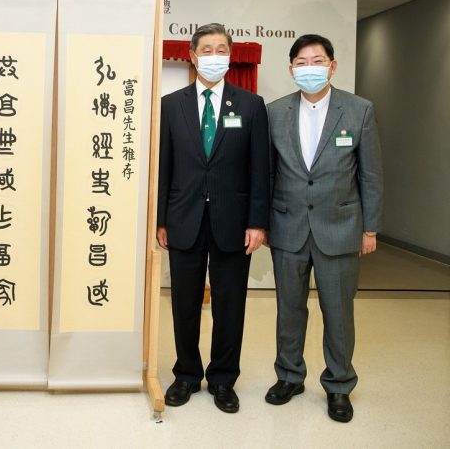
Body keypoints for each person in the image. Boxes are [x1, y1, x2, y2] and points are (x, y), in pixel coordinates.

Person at [264, 34, 383, 423]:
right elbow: (266, 174)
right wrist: (261, 224)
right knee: (289, 310)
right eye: (301, 61)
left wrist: (371, 229)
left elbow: (371, 175)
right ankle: (289, 376)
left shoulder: (359, 110)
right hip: (288, 227)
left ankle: (338, 384)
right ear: (291, 69)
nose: (309, 68)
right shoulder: (275, 111)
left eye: (317, 60)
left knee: (338, 312)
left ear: (332, 66)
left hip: (341, 228)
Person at [157, 23, 269, 413]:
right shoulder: (171, 104)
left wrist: (258, 223)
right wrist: (160, 219)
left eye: (222, 49)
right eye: (207, 49)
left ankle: (223, 379)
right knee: (183, 304)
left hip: (234, 223)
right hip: (183, 219)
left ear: (231, 55)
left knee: (230, 304)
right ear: (192, 55)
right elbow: (163, 167)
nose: (214, 56)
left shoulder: (251, 105)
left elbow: (260, 170)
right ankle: (186, 374)